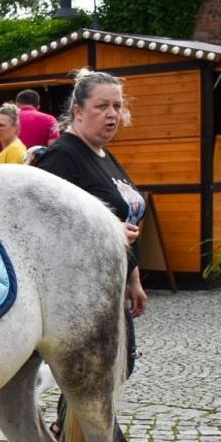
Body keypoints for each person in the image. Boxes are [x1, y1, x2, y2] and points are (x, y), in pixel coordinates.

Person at [34, 69, 148, 379]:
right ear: (78, 111)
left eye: (117, 106)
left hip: (111, 285)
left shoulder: (103, 155)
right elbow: (43, 230)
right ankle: (66, 428)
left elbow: (126, 220)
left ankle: (65, 428)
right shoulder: (62, 157)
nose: (112, 114)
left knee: (116, 371)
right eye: (102, 106)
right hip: (79, 293)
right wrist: (106, 233)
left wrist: (133, 277)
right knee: (97, 378)